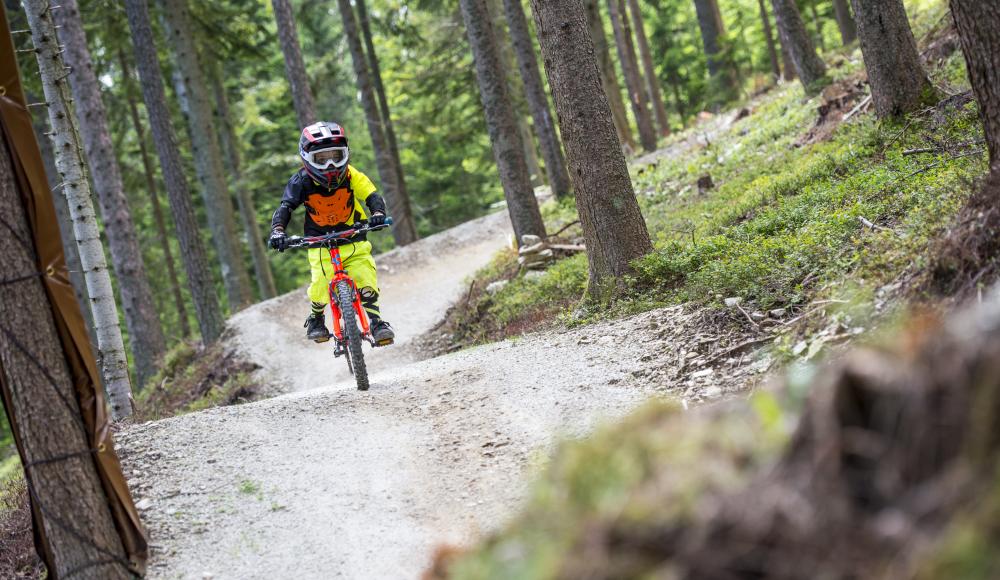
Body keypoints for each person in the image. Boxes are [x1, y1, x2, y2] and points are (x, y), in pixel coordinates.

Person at [267, 121, 395, 345]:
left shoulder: (351, 175)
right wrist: (278, 231)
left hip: (353, 238)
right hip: (319, 245)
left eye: (336, 156)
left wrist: (377, 212)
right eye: (321, 158)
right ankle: (316, 318)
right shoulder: (301, 181)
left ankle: (376, 322)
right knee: (319, 287)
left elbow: (371, 195)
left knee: (366, 280)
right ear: (307, 158)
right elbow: (285, 207)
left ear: (346, 154)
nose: (330, 164)